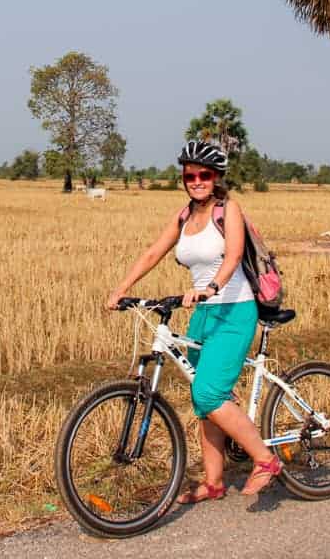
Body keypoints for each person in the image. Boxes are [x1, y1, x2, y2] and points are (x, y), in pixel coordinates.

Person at [106, 141, 282, 501]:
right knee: (205, 404)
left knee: (208, 392)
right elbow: (154, 251)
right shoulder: (184, 215)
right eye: (191, 175)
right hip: (202, 314)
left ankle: (265, 459)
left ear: (216, 177)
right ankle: (214, 483)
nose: (197, 180)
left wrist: (213, 286)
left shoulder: (227, 209)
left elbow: (233, 254)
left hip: (234, 309)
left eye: (205, 174)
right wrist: (120, 289)